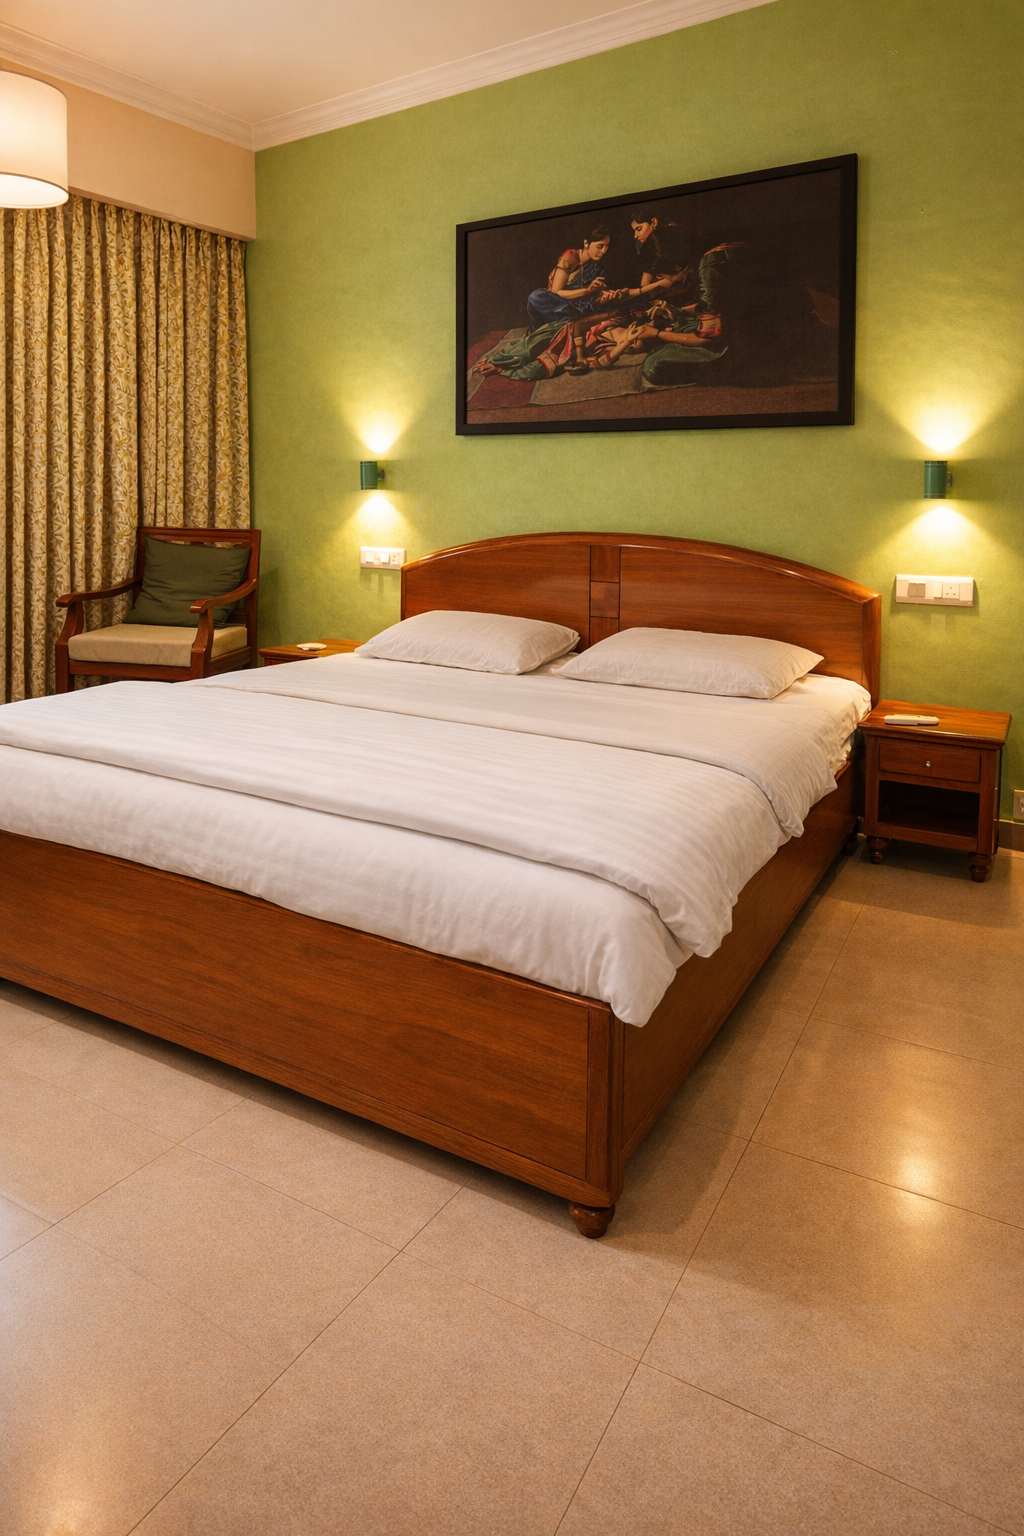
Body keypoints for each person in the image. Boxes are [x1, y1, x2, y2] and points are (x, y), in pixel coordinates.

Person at [526, 226, 627, 330]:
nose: (603, 251)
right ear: (586, 243)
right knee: (536, 297)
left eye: (607, 246)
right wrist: (587, 291)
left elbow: (597, 293)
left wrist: (607, 294)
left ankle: (574, 323)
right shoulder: (571, 257)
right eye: (600, 246)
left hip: (582, 307)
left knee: (617, 308)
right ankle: (570, 323)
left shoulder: (597, 266)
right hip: (561, 304)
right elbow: (556, 292)